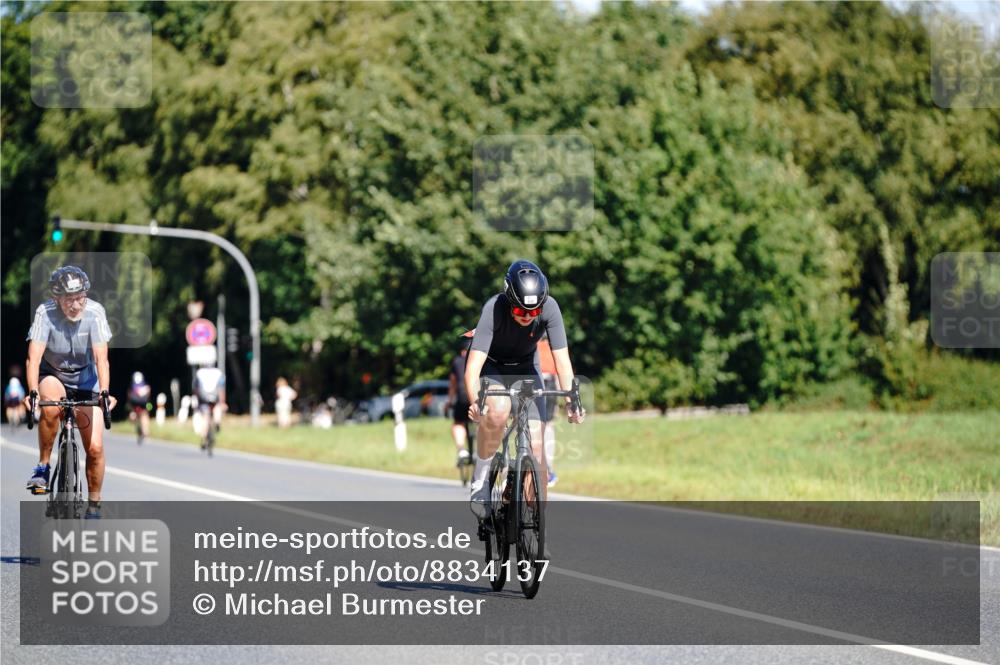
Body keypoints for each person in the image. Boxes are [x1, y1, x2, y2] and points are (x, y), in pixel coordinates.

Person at [465, 260, 585, 516]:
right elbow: (473, 368)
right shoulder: (494, 308)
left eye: (534, 311)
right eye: (521, 311)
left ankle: (522, 505)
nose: (528, 316)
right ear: (510, 301)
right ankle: (480, 480)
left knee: (537, 447)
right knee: (498, 411)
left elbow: (562, 361)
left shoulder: (550, 308)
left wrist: (572, 401)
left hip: (526, 368)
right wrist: (476, 402)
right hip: (492, 366)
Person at [23, 266, 116, 519]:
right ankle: (43, 466)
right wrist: (33, 392)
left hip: (87, 380)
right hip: (53, 375)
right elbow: (33, 359)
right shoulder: (45, 313)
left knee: (95, 448)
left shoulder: (95, 313)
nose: (75, 305)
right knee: (51, 406)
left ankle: (94, 506)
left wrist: (104, 392)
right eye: (69, 299)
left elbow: (102, 359)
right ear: (56, 298)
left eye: (80, 298)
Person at [536, 335, 559, 487]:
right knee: (549, 425)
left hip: (532, 382)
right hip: (549, 383)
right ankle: (548, 468)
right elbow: (558, 374)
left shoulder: (529, 345)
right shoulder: (553, 348)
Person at [446, 336, 473, 466]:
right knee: (482, 422)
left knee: (458, 423)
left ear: (462, 350)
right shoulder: (481, 360)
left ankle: (462, 450)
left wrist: (449, 401)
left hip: (462, 397)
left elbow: (453, 384)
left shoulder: (457, 361)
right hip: (477, 396)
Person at [192, 363, 227, 447]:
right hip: (215, 398)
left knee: (205, 417)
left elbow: (196, 389)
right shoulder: (218, 373)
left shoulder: (199, 373)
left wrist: (197, 401)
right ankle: (217, 422)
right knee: (217, 408)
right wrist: (222, 402)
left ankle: (204, 438)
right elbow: (221, 389)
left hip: (203, 399)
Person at [127, 371, 152, 443]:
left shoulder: (132, 386)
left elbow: (129, 396)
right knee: (144, 416)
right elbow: (148, 395)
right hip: (144, 404)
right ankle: (145, 432)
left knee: (135, 416)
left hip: (135, 405)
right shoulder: (145, 386)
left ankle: (141, 431)